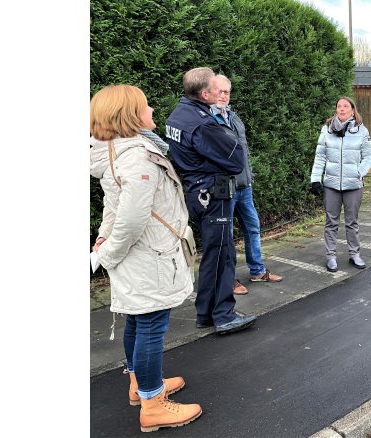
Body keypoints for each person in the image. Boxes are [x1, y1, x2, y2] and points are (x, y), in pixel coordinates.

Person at [90, 84, 202, 432]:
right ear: (129, 116)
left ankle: (140, 386)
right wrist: (107, 250)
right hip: (149, 257)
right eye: (145, 106)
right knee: (152, 325)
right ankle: (153, 405)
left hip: (140, 256)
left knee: (138, 321)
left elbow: (114, 203)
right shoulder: (138, 155)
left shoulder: (115, 152)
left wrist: (103, 238)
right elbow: (132, 219)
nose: (152, 109)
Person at [165, 67, 257, 334]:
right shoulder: (204, 123)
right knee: (221, 255)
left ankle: (206, 313)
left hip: (197, 190)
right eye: (216, 89)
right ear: (204, 93)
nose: (221, 93)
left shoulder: (178, 114)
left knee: (213, 254)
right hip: (213, 193)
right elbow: (236, 159)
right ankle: (223, 315)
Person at [210, 74, 283, 294]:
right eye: (220, 91)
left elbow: (244, 151)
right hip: (225, 187)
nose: (224, 95)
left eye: (227, 91)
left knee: (253, 228)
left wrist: (249, 178)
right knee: (226, 236)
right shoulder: (208, 120)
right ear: (210, 92)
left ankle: (257, 271)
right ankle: (227, 279)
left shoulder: (234, 117)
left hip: (244, 187)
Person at [309, 96, 371, 272]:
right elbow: (320, 155)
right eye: (339, 106)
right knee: (331, 222)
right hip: (331, 185)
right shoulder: (327, 130)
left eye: (346, 106)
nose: (342, 109)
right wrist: (315, 178)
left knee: (352, 222)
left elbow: (369, 156)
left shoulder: (362, 131)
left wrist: (358, 172)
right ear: (336, 110)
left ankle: (355, 254)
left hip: (353, 185)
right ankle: (331, 257)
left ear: (353, 110)